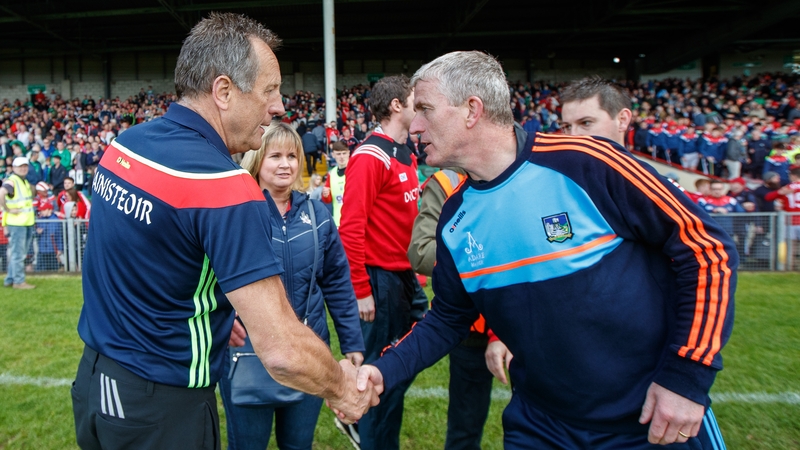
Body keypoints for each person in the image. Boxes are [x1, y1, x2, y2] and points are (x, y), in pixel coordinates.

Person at [356, 52, 737, 449]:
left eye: (425, 110)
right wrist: (385, 370)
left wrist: (686, 376)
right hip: (540, 424)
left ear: (472, 110)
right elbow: (450, 316)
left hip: (648, 418)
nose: (414, 126)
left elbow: (707, 248)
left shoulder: (587, 162)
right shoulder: (455, 215)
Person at [71, 13, 377, 450]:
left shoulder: (126, 146)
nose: (279, 107)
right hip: (163, 408)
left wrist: (214, 312)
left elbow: (147, 260)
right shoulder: (224, 187)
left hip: (95, 385)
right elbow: (283, 350)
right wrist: (344, 387)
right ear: (224, 91)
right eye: (270, 90)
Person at [219, 122, 365, 450]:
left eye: (292, 155)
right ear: (257, 159)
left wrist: (352, 343)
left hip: (308, 354)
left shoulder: (318, 214)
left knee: (299, 446)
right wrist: (225, 321)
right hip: (249, 356)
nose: (285, 164)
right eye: (275, 156)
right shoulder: (235, 214)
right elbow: (209, 279)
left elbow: (338, 284)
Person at [337, 75, 425, 450]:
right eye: (414, 101)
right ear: (396, 106)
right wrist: (360, 289)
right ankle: (368, 433)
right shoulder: (369, 157)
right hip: (379, 281)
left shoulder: (404, 152)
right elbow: (350, 228)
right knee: (381, 370)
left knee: (410, 358)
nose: (420, 107)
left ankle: (368, 428)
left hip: (404, 278)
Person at [0, 156, 36, 289]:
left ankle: (10, 279)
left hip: (24, 222)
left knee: (18, 253)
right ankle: (19, 281)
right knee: (18, 254)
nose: (23, 169)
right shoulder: (13, 181)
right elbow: (1, 192)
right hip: (17, 223)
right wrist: (8, 209)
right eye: (20, 167)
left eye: (25, 166)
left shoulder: (23, 181)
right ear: (14, 168)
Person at [321, 140, 350, 227]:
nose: (341, 157)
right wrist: (325, 194)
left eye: (344, 153)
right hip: (339, 221)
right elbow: (328, 199)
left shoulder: (355, 170)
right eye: (338, 154)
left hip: (355, 220)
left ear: (349, 153)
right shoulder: (331, 173)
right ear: (333, 155)